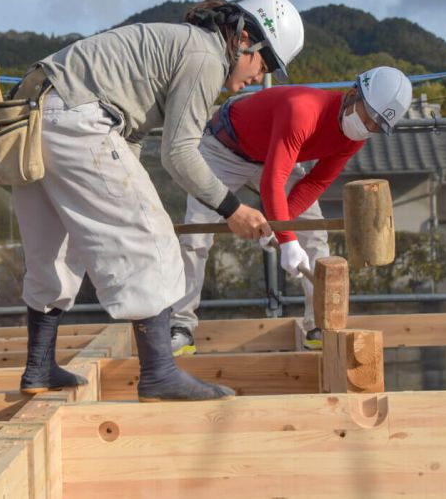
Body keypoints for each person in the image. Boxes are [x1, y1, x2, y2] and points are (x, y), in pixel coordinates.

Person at [10, 0, 305, 401]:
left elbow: (129, 137)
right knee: (151, 239)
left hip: (32, 114)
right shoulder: (206, 57)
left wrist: (131, 189)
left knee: (56, 249)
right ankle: (160, 374)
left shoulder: (176, 47)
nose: (261, 76)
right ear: (244, 40)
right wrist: (232, 209)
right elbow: (180, 152)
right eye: (265, 63)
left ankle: (38, 366)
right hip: (77, 117)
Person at [172, 66, 413, 354]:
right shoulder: (303, 110)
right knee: (196, 234)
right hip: (225, 149)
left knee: (313, 233)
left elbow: (316, 182)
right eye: (367, 117)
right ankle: (180, 326)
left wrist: (279, 226)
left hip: (276, 156)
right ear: (352, 95)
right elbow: (272, 182)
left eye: (376, 126)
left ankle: (318, 325)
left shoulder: (355, 138)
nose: (368, 127)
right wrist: (287, 240)